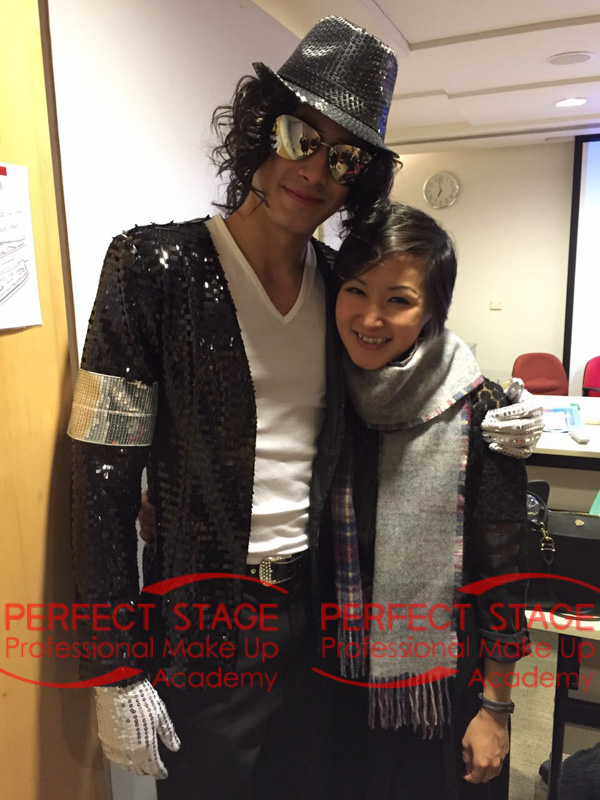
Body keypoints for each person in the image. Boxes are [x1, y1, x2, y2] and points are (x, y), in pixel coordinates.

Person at [67, 16, 541, 800]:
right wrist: (114, 667)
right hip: (204, 624)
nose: (317, 169)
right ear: (260, 129)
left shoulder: (339, 284)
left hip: (326, 615)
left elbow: (417, 366)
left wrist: (499, 411)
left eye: (346, 158)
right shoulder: (153, 267)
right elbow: (102, 476)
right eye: (300, 136)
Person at [318, 202, 531, 800]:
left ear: (433, 308)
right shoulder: (324, 394)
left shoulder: (482, 409)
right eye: (356, 290)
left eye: (399, 300)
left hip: (442, 683)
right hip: (333, 674)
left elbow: (502, 574)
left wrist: (496, 707)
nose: (370, 318)